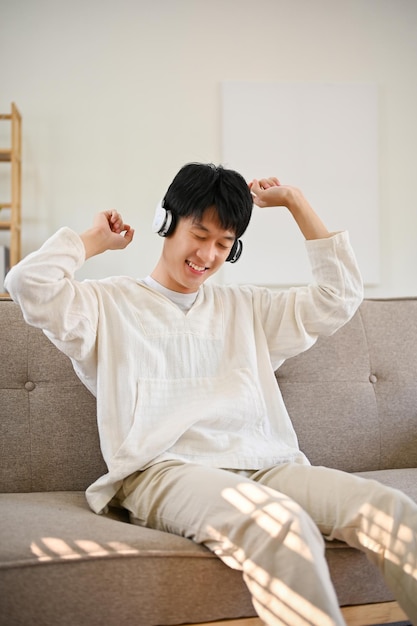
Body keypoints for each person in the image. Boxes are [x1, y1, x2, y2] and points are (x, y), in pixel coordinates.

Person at [5, 163, 417, 626]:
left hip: (266, 464)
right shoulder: (105, 305)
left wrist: (295, 202)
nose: (208, 254)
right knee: (278, 525)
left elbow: (338, 296)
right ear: (168, 221)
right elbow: (27, 284)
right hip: (162, 471)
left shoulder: (247, 308)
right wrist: (92, 241)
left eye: (224, 244)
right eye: (199, 235)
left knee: (392, 510)